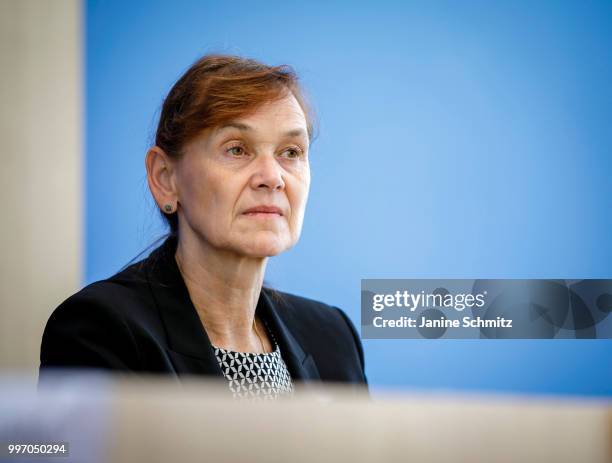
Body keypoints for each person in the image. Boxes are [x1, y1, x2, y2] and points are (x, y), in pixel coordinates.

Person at [40, 54, 368, 400]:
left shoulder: (333, 336)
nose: (272, 178)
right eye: (237, 149)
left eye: (290, 152)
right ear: (165, 178)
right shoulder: (101, 331)